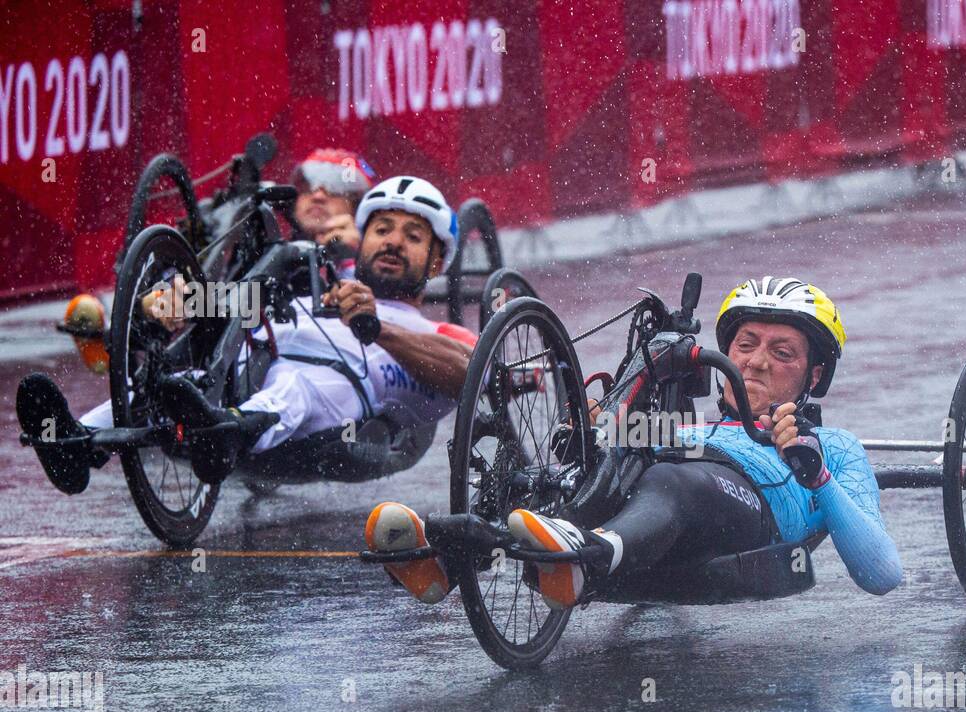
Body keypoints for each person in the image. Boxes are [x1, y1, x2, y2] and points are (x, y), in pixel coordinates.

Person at [367, 277, 903, 608]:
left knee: (671, 477)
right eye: (746, 345)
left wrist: (817, 477)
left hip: (748, 517)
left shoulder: (831, 446)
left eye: (783, 353)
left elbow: (881, 574)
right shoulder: (688, 432)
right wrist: (595, 434)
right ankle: (448, 562)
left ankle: (586, 557)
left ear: (813, 378)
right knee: (604, 458)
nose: (758, 361)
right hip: (669, 495)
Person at [17, 175, 476, 493]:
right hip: (248, 367)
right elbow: (241, 304)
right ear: (364, 238)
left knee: (295, 384)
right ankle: (76, 443)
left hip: (335, 411)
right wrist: (174, 304)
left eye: (413, 236)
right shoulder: (318, 287)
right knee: (188, 367)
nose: (394, 241)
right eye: (382, 229)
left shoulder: (436, 330)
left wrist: (377, 327)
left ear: (436, 263)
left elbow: (469, 372)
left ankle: (227, 432)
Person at [289, 148, 377, 276]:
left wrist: (357, 259)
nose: (318, 196)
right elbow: (253, 295)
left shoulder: (373, 271)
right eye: (308, 186)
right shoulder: (265, 252)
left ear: (357, 206)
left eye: (336, 188)